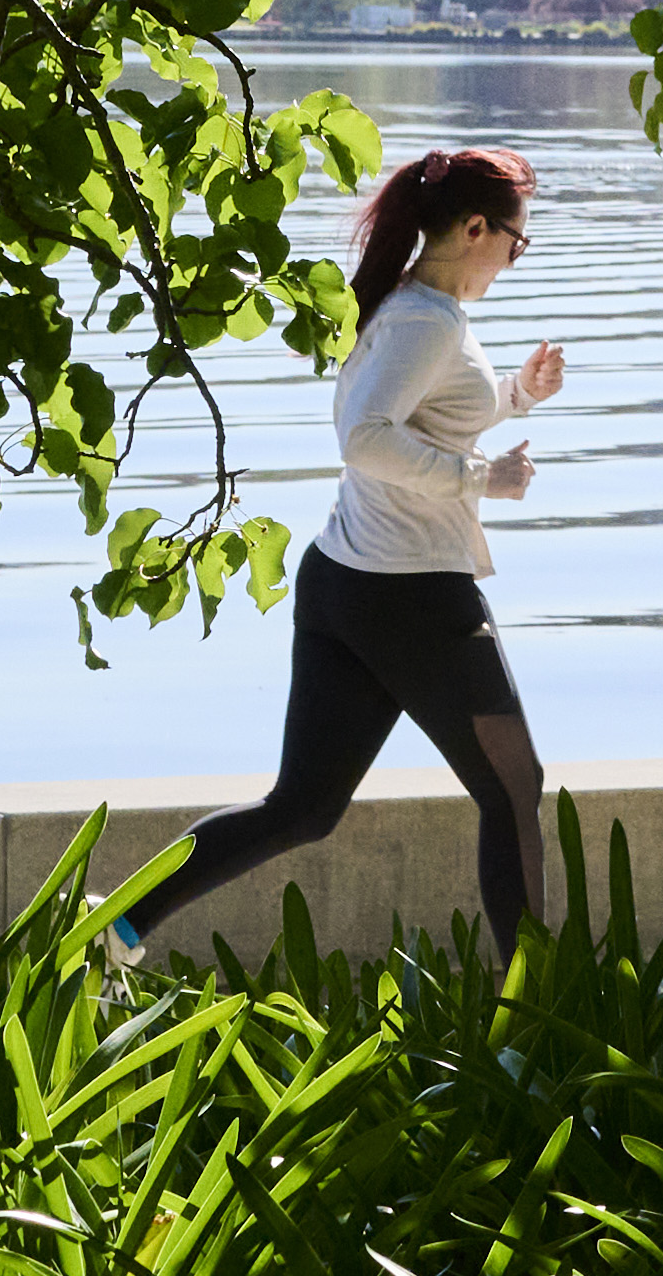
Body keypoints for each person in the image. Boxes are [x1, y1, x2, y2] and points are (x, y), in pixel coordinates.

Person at [114, 145, 563, 962]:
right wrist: (481, 480)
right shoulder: (422, 322)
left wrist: (517, 397)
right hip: (410, 592)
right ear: (473, 228)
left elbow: (416, 423)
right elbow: (363, 439)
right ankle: (538, 1014)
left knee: (304, 807)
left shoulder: (409, 308)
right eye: (514, 240)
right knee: (514, 788)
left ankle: (113, 927)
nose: (514, 256)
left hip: (346, 583)